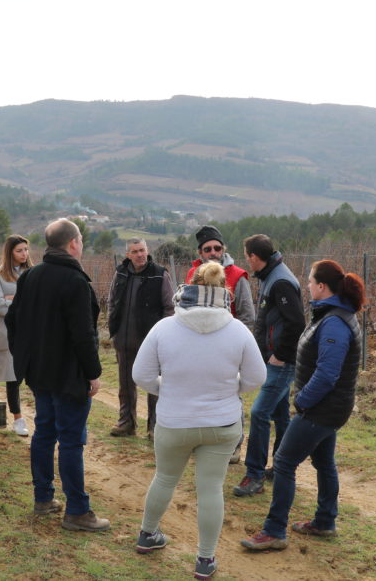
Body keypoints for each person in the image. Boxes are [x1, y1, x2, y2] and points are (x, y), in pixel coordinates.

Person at [132, 262, 266, 580]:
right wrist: (229, 388)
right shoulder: (237, 330)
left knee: (165, 479)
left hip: (174, 420)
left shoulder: (164, 328)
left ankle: (147, 535)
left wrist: (167, 389)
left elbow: (141, 375)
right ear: (224, 292)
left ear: (188, 287)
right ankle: (205, 560)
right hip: (221, 424)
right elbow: (256, 377)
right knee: (210, 489)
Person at [241, 259, 365, 551]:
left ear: (322, 286)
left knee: (283, 463)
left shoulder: (334, 322)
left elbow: (327, 373)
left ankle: (274, 531)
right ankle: (324, 521)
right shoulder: (334, 315)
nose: (307, 285)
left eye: (310, 281)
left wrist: (302, 399)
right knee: (323, 462)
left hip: (322, 408)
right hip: (332, 407)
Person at [4, 218, 109, 532]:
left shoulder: (31, 276)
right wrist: (93, 374)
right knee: (72, 441)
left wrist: (23, 357)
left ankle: (43, 499)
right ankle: (77, 511)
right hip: (68, 376)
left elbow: (12, 321)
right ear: (73, 243)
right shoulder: (75, 282)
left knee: (45, 433)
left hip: (39, 373)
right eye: (80, 239)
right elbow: (83, 335)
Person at [233, 234, 305, 497]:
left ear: (254, 257)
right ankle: (281, 467)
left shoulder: (280, 281)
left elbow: (297, 322)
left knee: (260, 413)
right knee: (280, 415)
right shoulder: (271, 276)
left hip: (281, 362)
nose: (247, 261)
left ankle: (254, 475)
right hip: (274, 359)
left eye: (247, 256)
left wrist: (281, 355)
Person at [186, 225, 255, 464]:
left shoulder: (237, 276)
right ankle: (204, 439)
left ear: (223, 249)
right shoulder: (192, 274)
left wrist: (237, 345)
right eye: (208, 249)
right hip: (197, 348)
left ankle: (235, 445)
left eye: (217, 247)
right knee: (200, 392)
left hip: (228, 349)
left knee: (231, 395)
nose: (213, 252)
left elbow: (247, 316)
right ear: (200, 252)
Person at [108, 238, 174, 439]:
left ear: (147, 250)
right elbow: (112, 302)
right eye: (135, 251)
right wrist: (114, 328)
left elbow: (170, 308)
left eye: (142, 250)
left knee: (154, 385)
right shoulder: (120, 273)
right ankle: (126, 422)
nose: (140, 254)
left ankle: (155, 426)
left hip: (151, 342)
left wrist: (163, 336)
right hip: (123, 340)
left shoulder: (160, 274)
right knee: (125, 384)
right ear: (128, 254)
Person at [0, 234, 33, 436]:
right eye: (19, 250)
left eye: (26, 249)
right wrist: (21, 302)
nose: (24, 254)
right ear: (10, 253)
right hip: (8, 334)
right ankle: (18, 419)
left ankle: (43, 417)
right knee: (13, 379)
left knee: (35, 377)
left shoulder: (33, 273)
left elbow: (38, 303)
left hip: (31, 333)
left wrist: (13, 300)